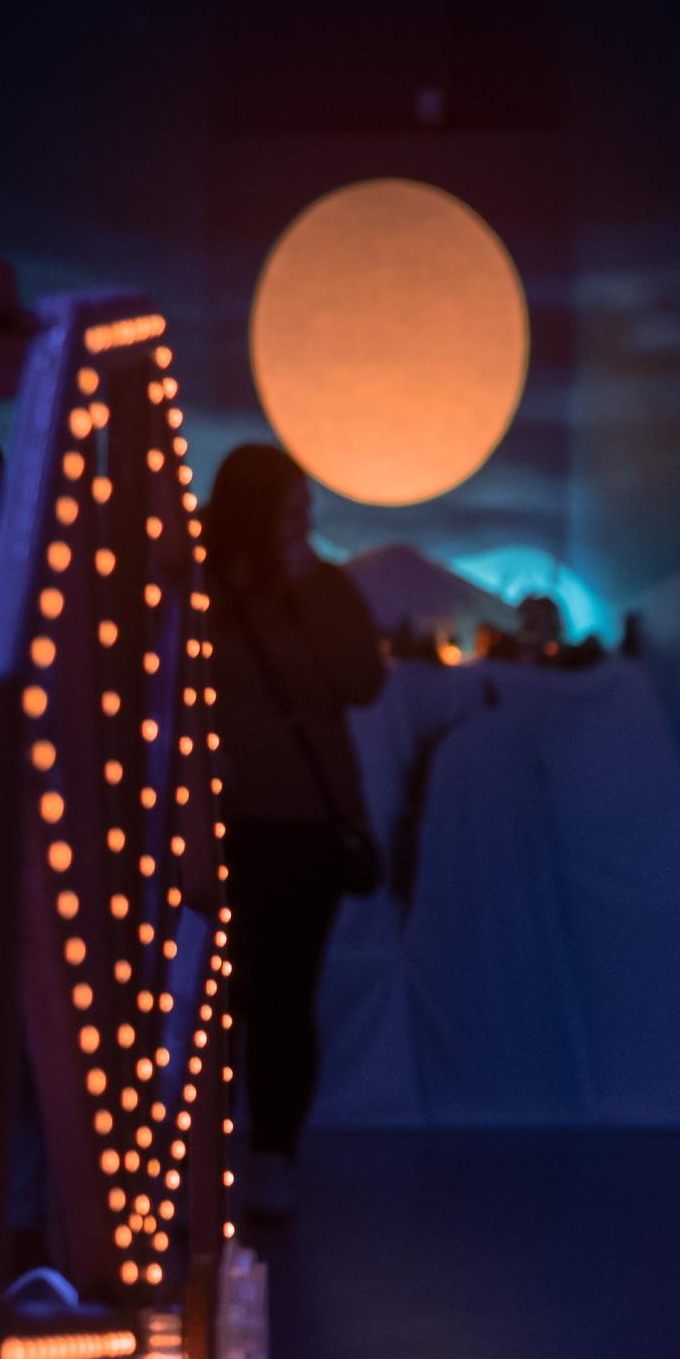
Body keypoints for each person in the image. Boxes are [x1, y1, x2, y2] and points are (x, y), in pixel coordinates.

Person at [204, 442, 385, 1219]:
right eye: (290, 508)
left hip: (305, 827)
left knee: (281, 996)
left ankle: (271, 1152)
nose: (303, 523)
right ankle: (213, 1153)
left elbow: (361, 681)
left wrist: (310, 582)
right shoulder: (200, 588)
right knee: (219, 1000)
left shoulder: (321, 589)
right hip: (221, 823)